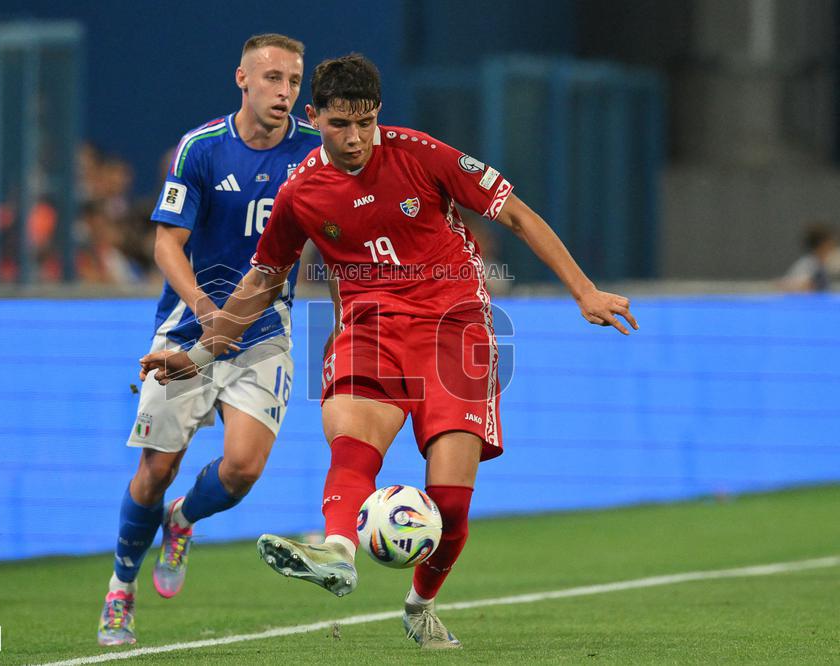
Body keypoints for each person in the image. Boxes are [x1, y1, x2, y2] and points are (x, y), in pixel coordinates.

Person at [139, 54, 637, 649]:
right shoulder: (301, 193)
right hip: (370, 330)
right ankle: (338, 551)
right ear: (313, 117)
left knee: (450, 507)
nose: (355, 139)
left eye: (366, 123)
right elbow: (261, 283)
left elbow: (518, 216)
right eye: (340, 124)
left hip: (455, 331)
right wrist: (196, 357)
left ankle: (420, 606)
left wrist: (584, 291)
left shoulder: (421, 154)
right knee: (352, 449)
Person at [96, 33, 321, 647]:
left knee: (244, 467)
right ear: (241, 80)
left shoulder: (313, 154)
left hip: (265, 330)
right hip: (190, 328)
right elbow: (166, 242)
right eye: (273, 78)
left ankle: (184, 520)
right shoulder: (201, 148)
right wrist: (202, 307)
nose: (285, 91)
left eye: (295, 81)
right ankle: (121, 589)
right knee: (155, 471)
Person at [780, 224, 837, 292]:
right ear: (823, 245)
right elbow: (791, 286)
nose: (833, 246)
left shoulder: (827, 263)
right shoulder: (808, 264)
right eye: (830, 243)